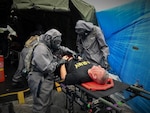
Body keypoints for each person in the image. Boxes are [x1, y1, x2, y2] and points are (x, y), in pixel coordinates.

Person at [12, 29, 76, 113]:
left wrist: (70, 52)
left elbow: (59, 47)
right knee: (40, 106)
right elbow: (46, 68)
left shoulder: (47, 43)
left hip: (45, 78)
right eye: (56, 42)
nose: (58, 44)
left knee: (47, 103)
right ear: (50, 39)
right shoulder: (41, 49)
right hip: (40, 80)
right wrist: (60, 62)